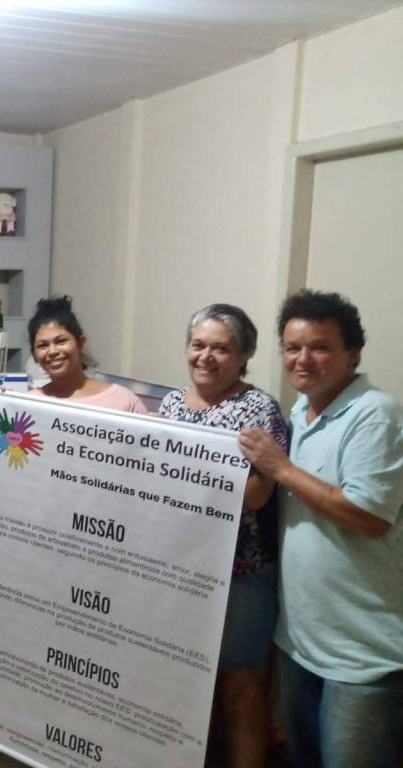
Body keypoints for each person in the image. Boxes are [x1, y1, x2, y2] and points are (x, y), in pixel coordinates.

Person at [239, 290, 403, 768]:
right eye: (292, 348)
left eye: (320, 347)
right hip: (300, 642)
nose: (303, 359)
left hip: (362, 655)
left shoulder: (375, 413)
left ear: (353, 354)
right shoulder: (300, 412)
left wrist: (280, 467)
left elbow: (369, 517)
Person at [158, 303, 288, 768]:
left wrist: (187, 482)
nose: (205, 357)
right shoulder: (172, 404)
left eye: (220, 348)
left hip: (241, 572)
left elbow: (257, 493)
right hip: (177, 567)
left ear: (243, 355)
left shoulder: (258, 409)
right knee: (181, 682)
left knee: (241, 687)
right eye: (198, 345)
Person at [28, 295, 147, 413]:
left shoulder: (123, 402)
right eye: (43, 345)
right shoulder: (27, 406)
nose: (53, 351)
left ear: (81, 344)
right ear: (34, 354)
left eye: (61, 341)